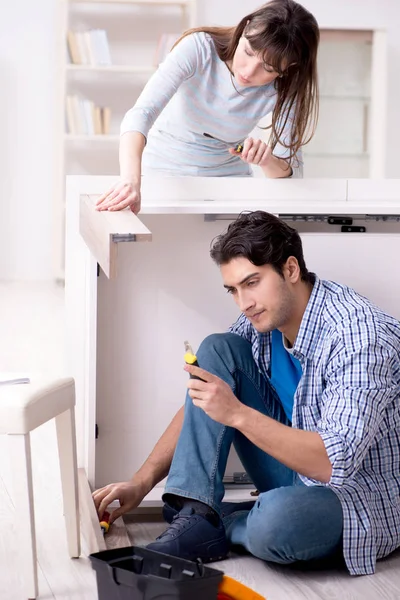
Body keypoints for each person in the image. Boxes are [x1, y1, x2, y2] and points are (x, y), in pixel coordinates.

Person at [93, 210, 400, 576]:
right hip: (295, 476)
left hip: (355, 499)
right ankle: (196, 514)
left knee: (277, 524)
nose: (244, 302)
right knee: (216, 350)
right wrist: (141, 483)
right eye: (234, 290)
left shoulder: (359, 337)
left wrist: (237, 413)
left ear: (290, 270)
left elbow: (332, 465)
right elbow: (209, 396)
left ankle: (221, 522)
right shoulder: (262, 319)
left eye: (252, 283)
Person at [95, 0, 319, 215]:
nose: (249, 71)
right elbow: (141, 114)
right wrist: (131, 180)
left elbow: (292, 175)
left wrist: (267, 160)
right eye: (249, 52)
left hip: (228, 185)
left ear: (288, 68)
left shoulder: (287, 87)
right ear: (245, 28)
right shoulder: (199, 48)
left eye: (268, 68)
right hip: (160, 173)